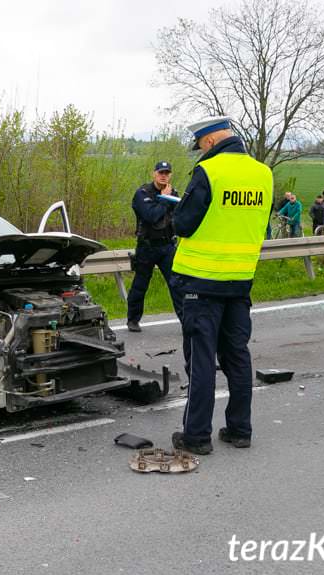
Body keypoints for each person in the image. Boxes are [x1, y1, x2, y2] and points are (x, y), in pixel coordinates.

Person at [170, 116, 272, 455]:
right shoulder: (263, 173)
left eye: (200, 146)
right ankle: (240, 430)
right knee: (238, 358)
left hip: (201, 281)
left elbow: (183, 224)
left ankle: (196, 436)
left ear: (210, 142)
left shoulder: (209, 172)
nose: (200, 153)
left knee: (201, 361)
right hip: (240, 281)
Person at [126, 160, 184, 332]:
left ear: (170, 175)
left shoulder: (175, 193)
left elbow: (180, 217)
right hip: (147, 247)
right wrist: (166, 199)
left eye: (167, 173)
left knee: (177, 285)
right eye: (161, 173)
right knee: (140, 284)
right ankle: (133, 320)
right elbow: (152, 216)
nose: (164, 176)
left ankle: (187, 321)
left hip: (168, 246)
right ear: (154, 174)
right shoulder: (142, 193)